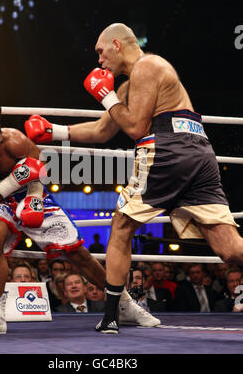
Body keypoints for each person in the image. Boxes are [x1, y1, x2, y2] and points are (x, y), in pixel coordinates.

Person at [25, 22, 242, 333]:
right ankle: (116, 313)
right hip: (198, 152)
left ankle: (112, 315)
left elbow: (136, 128)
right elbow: (103, 130)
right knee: (229, 248)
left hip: (168, 150)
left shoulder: (147, 66)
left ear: (116, 45)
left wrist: (106, 96)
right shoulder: (132, 85)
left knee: (122, 225)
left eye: (101, 52)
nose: (99, 61)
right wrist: (55, 132)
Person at [0, 114, 155, 334]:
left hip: (27, 188)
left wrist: (34, 196)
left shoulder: (14, 140)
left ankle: (124, 304)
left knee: (76, 252)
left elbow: (38, 164)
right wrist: (11, 182)